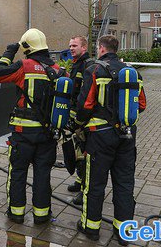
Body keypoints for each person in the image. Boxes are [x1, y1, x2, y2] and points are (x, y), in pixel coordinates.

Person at [75, 35, 146, 245]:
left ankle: (91, 227)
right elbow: (141, 104)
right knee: (124, 184)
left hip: (100, 138)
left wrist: (79, 124)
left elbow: (85, 105)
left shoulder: (95, 70)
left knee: (95, 184)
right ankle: (123, 231)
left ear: (101, 48)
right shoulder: (132, 72)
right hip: (127, 137)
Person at [0, 28, 60, 225]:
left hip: (23, 133)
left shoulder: (24, 66)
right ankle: (41, 215)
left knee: (18, 173)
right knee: (43, 175)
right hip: (47, 133)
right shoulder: (57, 69)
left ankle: (16, 214)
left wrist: (9, 52)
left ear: (27, 47)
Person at [65, 35, 92, 206]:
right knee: (77, 151)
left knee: (83, 153)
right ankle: (79, 180)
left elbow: (84, 95)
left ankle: (85, 189)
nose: (71, 48)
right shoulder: (76, 64)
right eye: (70, 45)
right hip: (74, 114)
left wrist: (79, 119)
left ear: (84, 47)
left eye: (74, 45)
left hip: (82, 118)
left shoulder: (87, 65)